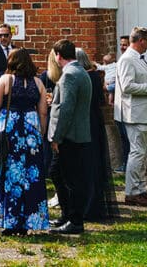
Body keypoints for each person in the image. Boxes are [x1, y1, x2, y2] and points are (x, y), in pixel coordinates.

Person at [0, 48, 50, 235]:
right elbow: (43, 111)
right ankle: (30, 222)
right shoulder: (38, 82)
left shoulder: (6, 80)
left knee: (9, 175)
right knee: (32, 177)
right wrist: (41, 133)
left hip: (10, 130)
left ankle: (10, 220)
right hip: (31, 130)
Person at [46, 40, 90, 235]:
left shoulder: (69, 75)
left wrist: (57, 136)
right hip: (76, 134)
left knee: (70, 180)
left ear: (58, 55)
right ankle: (67, 215)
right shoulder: (81, 72)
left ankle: (75, 220)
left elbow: (66, 109)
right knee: (59, 173)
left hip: (69, 136)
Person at [117, 27, 147, 208]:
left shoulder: (139, 59)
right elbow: (127, 86)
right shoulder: (128, 59)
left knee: (141, 154)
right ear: (140, 41)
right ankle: (132, 192)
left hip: (143, 112)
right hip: (135, 113)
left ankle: (140, 189)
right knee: (137, 153)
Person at [77, 49, 119, 224]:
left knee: (88, 163)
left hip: (86, 122)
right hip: (95, 120)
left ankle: (89, 205)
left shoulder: (84, 77)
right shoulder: (95, 76)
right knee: (94, 163)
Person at [108, 35, 131, 172]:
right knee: (122, 136)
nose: (122, 47)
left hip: (126, 106)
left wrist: (108, 87)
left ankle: (128, 164)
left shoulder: (127, 61)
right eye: (121, 44)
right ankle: (125, 163)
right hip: (119, 105)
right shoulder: (120, 61)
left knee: (127, 137)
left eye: (125, 44)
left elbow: (122, 83)